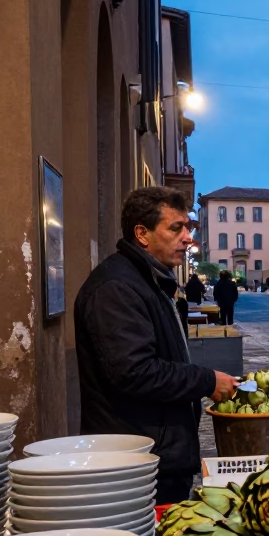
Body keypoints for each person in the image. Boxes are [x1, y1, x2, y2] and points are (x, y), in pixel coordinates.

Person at [74, 187, 239, 505]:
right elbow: (135, 372)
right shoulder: (116, 288)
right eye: (176, 228)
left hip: (157, 456)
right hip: (136, 466)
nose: (187, 238)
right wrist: (206, 380)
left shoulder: (149, 280)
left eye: (188, 229)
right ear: (142, 234)